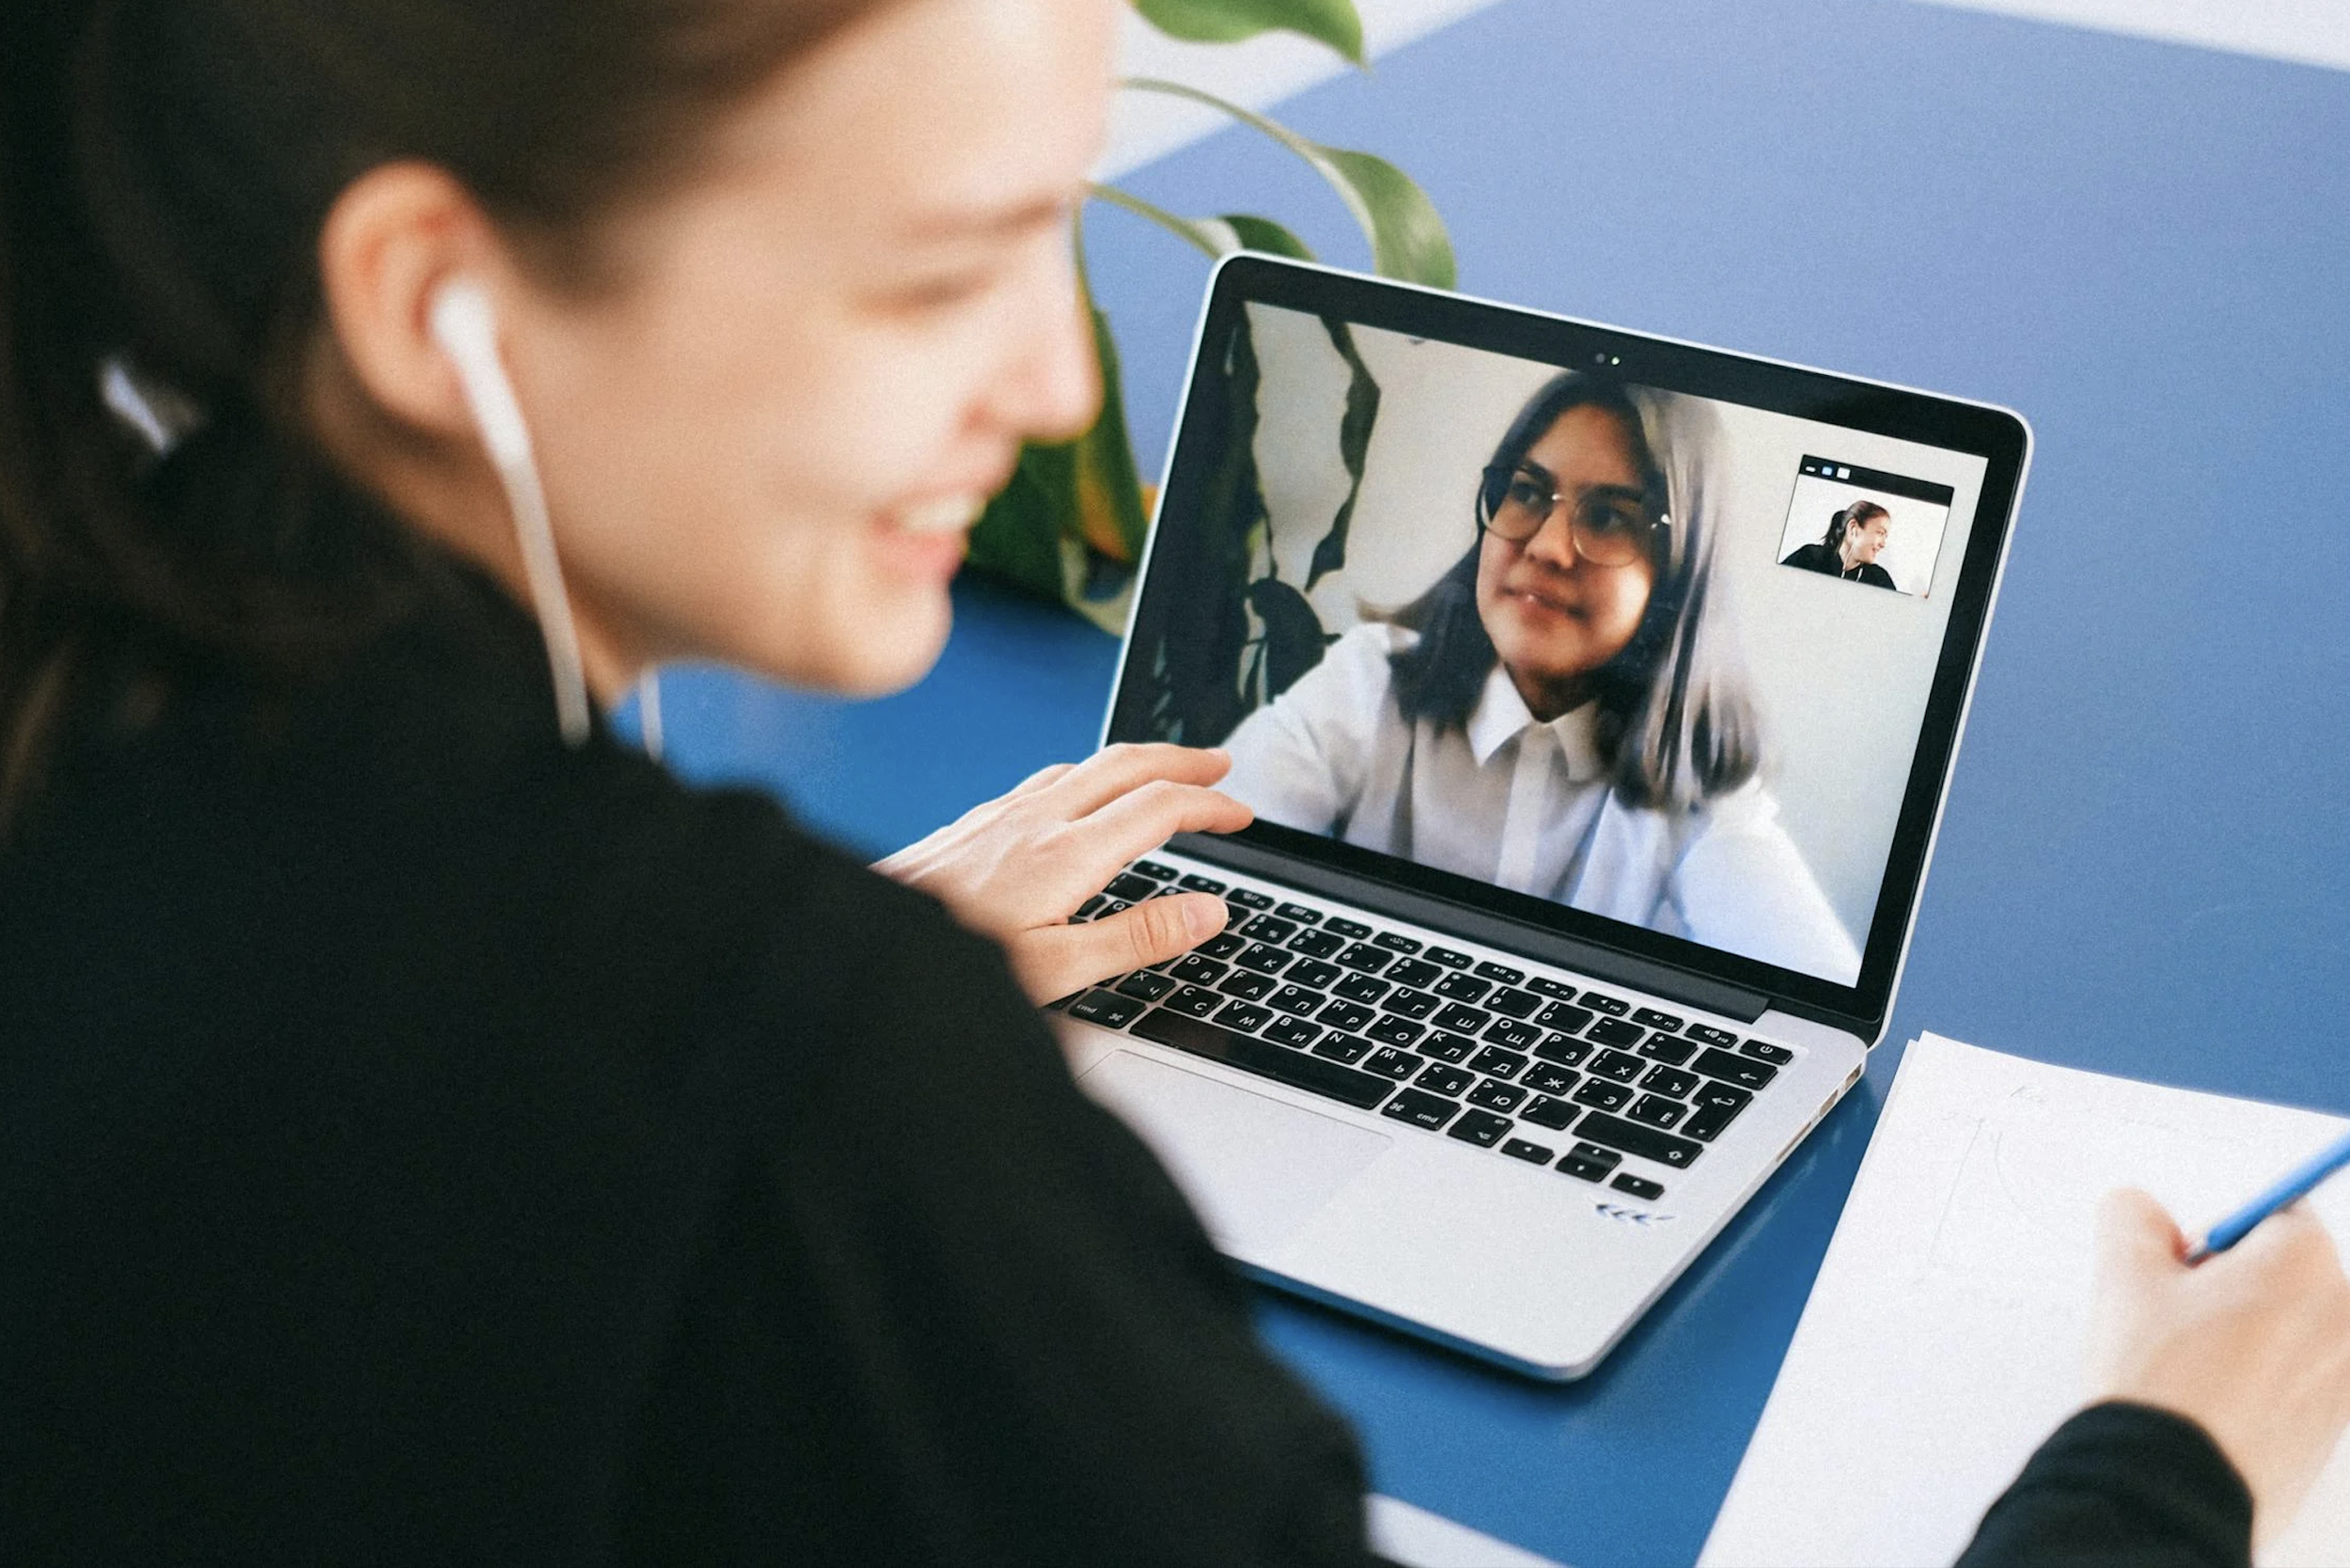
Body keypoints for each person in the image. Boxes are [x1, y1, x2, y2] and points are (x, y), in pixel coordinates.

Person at [1, 2, 2343, 1563]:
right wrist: (2164, 1464)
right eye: (938, 273)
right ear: (438, 300)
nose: (1051, 381)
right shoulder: (805, 1088)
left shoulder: (98, 727)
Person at [1220, 372, 1863, 981]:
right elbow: (1200, 845)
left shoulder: (1699, 783)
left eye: (1608, 516)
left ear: (1676, 571)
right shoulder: (1372, 681)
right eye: (1527, 492)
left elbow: (1812, 996)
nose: (1548, 547)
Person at [1781, 497, 1899, 588]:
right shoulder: (1809, 557)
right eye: (1880, 533)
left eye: (1885, 537)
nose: (1883, 544)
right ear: (1853, 528)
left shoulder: (1879, 579)